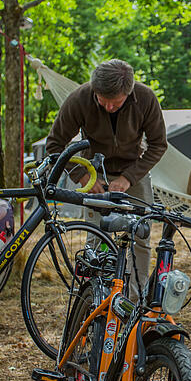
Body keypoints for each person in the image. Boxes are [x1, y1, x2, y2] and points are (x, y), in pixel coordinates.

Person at [45, 59, 167, 300]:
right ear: (94, 91)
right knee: (96, 235)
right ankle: (95, 296)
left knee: (140, 235)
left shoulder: (145, 98)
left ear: (129, 93)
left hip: (134, 171)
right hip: (94, 172)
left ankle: (136, 299)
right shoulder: (80, 98)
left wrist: (128, 178)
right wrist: (83, 177)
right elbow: (54, 145)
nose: (109, 107)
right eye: (103, 100)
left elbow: (158, 145)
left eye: (116, 102)